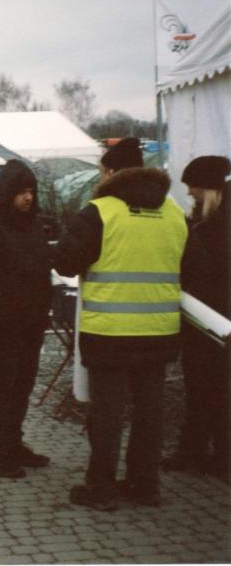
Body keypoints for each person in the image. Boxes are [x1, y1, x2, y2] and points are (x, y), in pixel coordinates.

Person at [53, 138, 202, 510]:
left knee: (108, 413)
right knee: (150, 412)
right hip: (160, 331)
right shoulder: (173, 214)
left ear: (111, 174)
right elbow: (194, 267)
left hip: (110, 333)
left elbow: (66, 263)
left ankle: (101, 489)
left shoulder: (100, 212)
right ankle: (144, 486)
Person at [0, 160, 52, 479]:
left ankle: (13, 443)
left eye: (31, 191)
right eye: (21, 192)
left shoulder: (33, 226)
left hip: (31, 323)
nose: (28, 198)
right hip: (3, 326)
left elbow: (42, 268)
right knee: (3, 387)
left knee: (22, 386)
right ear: (7, 194)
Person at [162, 155, 230, 481]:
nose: (191, 197)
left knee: (216, 389)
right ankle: (196, 450)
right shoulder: (209, 220)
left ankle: (217, 455)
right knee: (199, 387)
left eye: (195, 191)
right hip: (202, 321)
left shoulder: (218, 225)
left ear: (211, 190)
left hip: (218, 320)